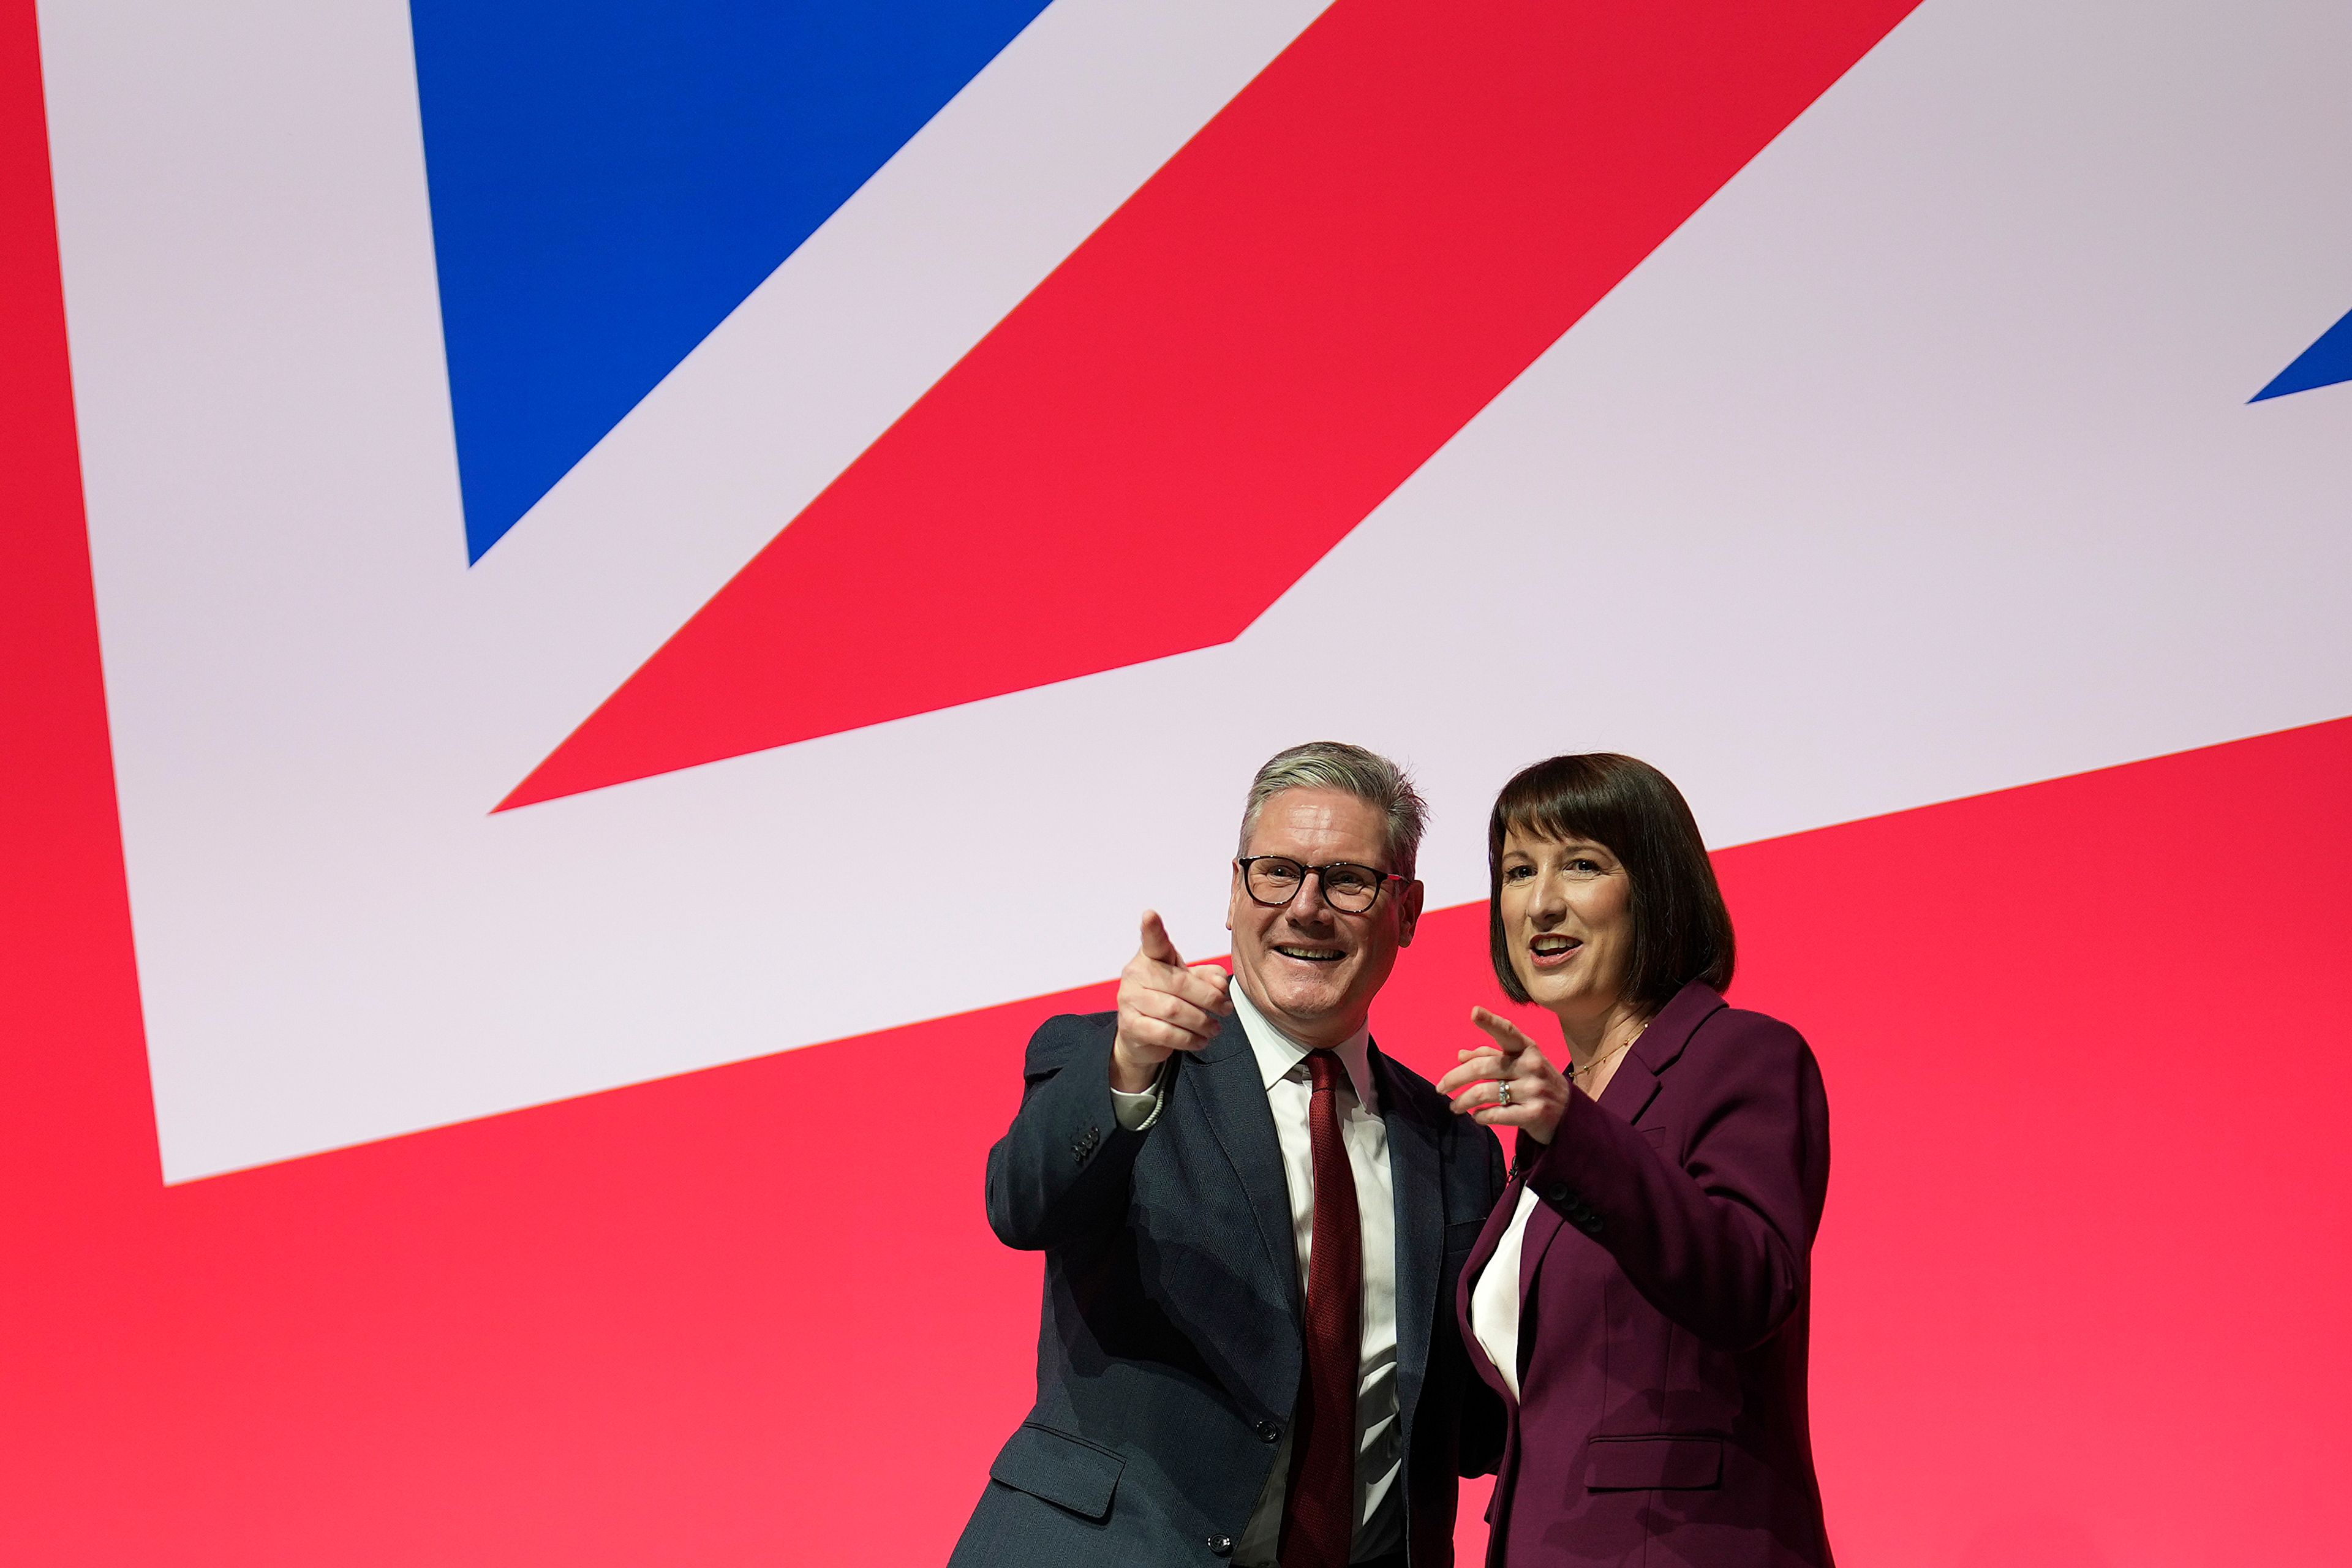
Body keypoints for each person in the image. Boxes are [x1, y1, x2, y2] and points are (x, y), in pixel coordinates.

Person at [952, 742, 1507, 1568]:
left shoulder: (1456, 1149)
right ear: (1234, 890)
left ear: (1409, 909)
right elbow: (1022, 1204)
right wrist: (1128, 1070)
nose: (1306, 908)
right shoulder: (1126, 1064)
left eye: (1347, 880)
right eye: (1276, 872)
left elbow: (1478, 1428)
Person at [1436, 754, 1833, 1567]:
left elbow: (1750, 1284)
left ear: (1654, 887)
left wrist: (1572, 1131)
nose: (1542, 901)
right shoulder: (1554, 1118)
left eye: (1581, 864)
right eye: (1518, 870)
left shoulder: (1740, 1056)